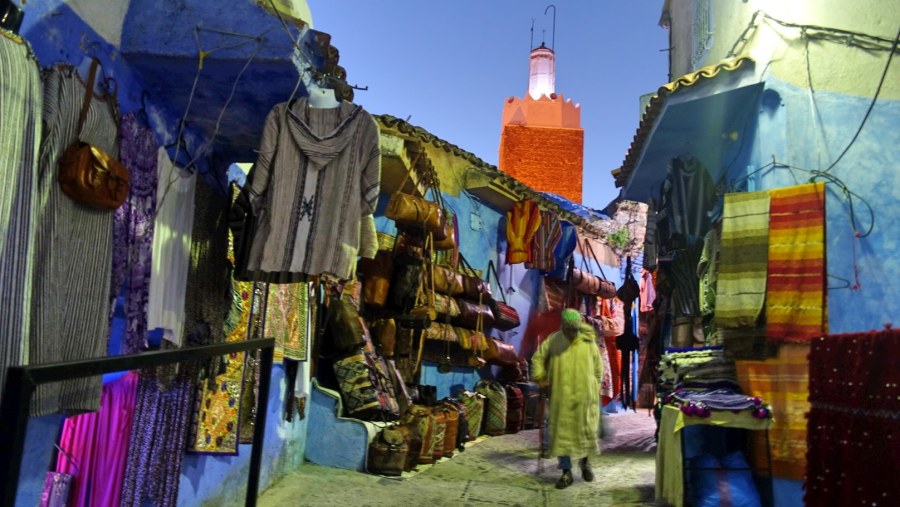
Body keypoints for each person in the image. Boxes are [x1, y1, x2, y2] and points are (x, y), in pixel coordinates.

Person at [531, 308, 604, 489]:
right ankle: (566, 472)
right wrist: (540, 377)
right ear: (563, 326)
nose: (572, 333)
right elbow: (538, 359)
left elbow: (598, 368)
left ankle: (585, 462)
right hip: (561, 397)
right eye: (568, 329)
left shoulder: (589, 343)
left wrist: (595, 385)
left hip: (585, 398)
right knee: (562, 436)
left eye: (574, 329)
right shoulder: (554, 341)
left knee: (585, 432)